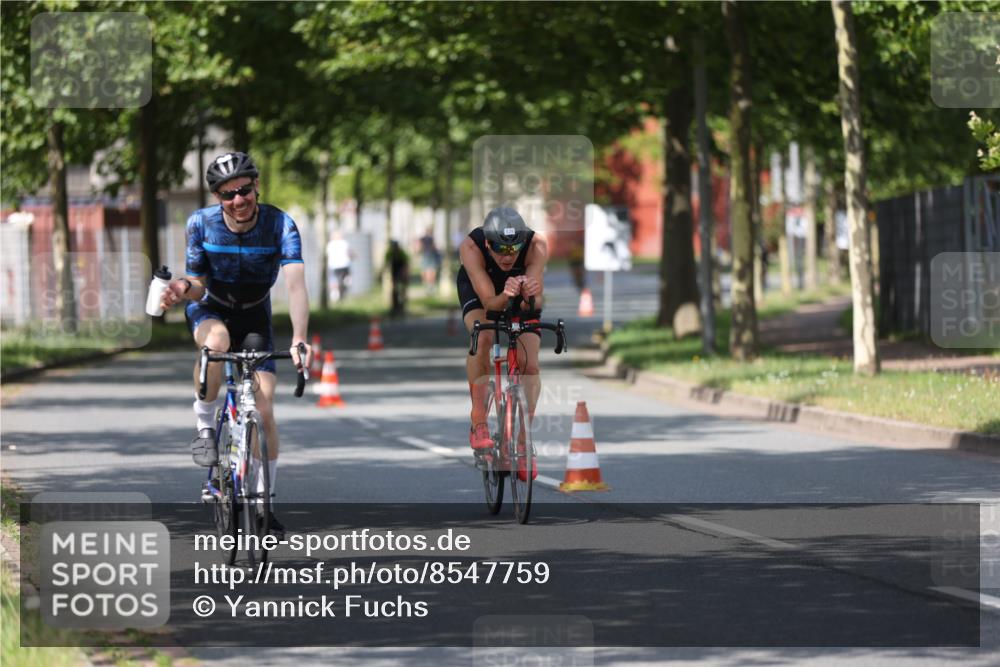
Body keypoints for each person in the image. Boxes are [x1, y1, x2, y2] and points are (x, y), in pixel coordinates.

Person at [159, 151, 312, 537]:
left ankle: (264, 504)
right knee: (218, 339)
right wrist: (180, 288)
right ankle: (206, 428)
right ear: (217, 198)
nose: (238, 200)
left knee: (264, 406)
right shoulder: (201, 224)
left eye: (244, 190)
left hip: (255, 314)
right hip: (211, 309)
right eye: (227, 195)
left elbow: (295, 285)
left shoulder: (281, 224)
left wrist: (299, 339)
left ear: (256, 186)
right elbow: (198, 284)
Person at [456, 207, 548, 463]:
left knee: (530, 364)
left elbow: (531, 305)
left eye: (514, 248)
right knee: (483, 337)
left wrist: (527, 296)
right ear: (488, 243)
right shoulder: (471, 248)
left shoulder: (536, 245)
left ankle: (522, 441)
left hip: (517, 291)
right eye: (500, 249)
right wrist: (506, 295)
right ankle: (478, 420)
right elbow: (490, 305)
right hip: (482, 292)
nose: (508, 256)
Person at [384, 240, 410, 317]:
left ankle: (403, 304)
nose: (394, 248)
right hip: (394, 272)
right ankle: (395, 305)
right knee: (394, 289)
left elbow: (406, 264)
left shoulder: (402, 253)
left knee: (403, 289)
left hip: (402, 271)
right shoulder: (389, 253)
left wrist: (405, 274)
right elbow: (386, 263)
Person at [326, 230, 353, 302]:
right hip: (344, 264)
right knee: (346, 277)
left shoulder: (330, 244)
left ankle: (335, 295)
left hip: (334, 265)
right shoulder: (345, 243)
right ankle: (346, 284)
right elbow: (349, 253)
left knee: (333, 280)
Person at [417, 227, 441, 295]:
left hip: (426, 256)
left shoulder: (423, 239)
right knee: (430, 272)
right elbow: (434, 247)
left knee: (427, 272)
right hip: (429, 256)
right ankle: (430, 287)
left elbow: (419, 247)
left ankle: (428, 287)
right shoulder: (430, 239)